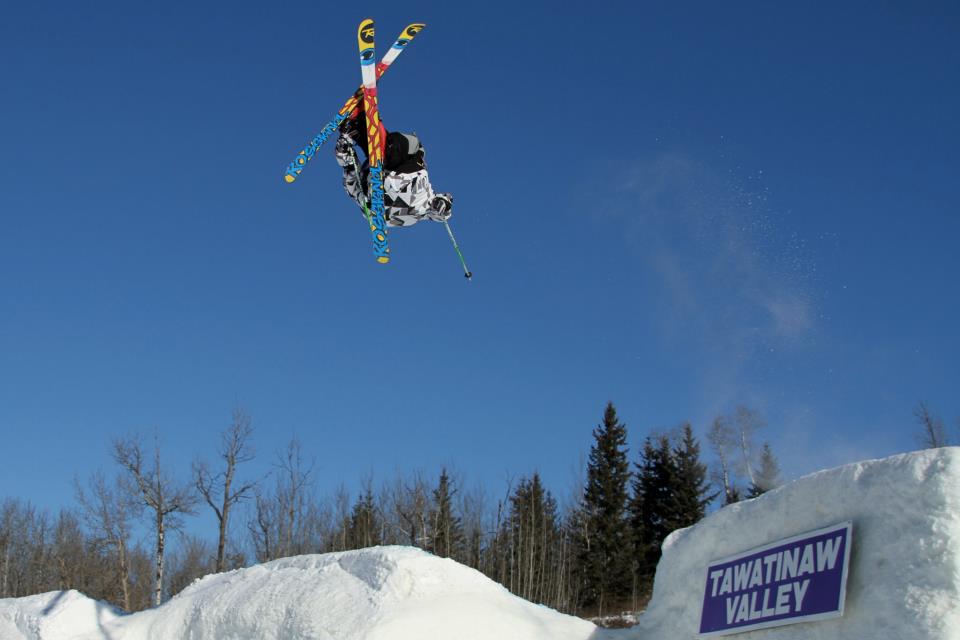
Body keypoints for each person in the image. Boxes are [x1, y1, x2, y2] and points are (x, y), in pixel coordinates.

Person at [334, 112, 453, 227]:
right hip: (407, 165)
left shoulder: (362, 197)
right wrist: (443, 205)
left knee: (388, 151)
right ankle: (361, 125)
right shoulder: (425, 206)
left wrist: (344, 154)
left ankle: (357, 126)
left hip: (404, 178)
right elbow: (443, 207)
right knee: (394, 148)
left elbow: (351, 175)